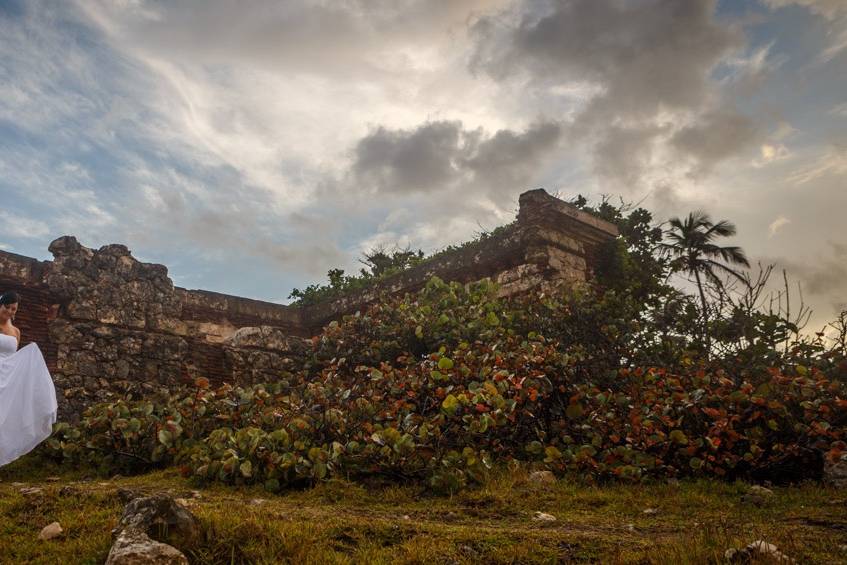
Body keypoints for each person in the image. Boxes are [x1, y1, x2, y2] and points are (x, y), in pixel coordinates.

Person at [0, 290, 58, 467]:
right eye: (7, 307)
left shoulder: (16, 331)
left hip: (6, 377)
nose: (10, 311)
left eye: (14, 309)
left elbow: (14, 356)